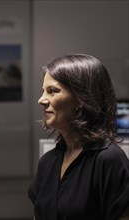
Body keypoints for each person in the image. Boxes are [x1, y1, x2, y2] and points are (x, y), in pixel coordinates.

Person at [28, 54, 129, 219]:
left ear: (82, 98)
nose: (41, 100)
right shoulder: (47, 162)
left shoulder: (109, 160)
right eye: (43, 91)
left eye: (52, 91)